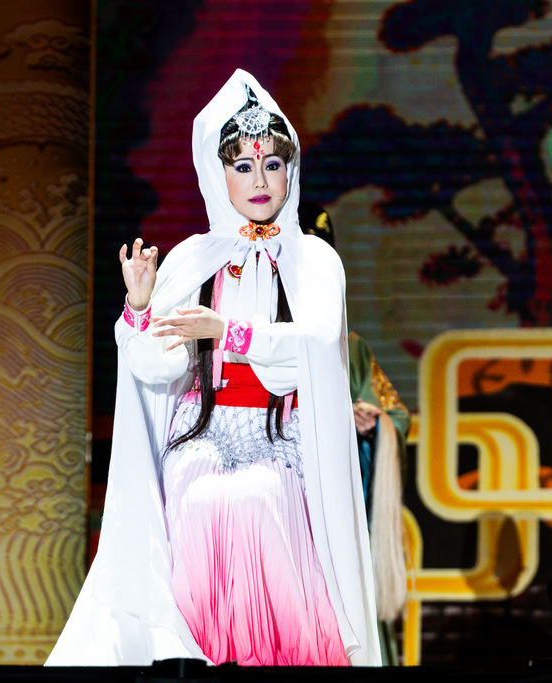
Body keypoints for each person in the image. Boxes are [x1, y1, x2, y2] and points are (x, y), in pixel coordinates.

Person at [46, 70, 379, 667]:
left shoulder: (313, 258)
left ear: (291, 170)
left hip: (278, 432)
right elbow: (154, 366)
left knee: (258, 496)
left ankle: (273, 659)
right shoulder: (193, 257)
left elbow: (317, 340)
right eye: (243, 167)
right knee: (198, 494)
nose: (260, 181)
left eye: (272, 165)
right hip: (203, 426)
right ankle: (197, 657)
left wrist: (230, 333)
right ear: (216, 173)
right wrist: (140, 308)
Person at [298, 202, 410, 664]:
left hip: (333, 511)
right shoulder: (242, 334)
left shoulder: (351, 349)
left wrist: (370, 421)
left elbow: (396, 415)